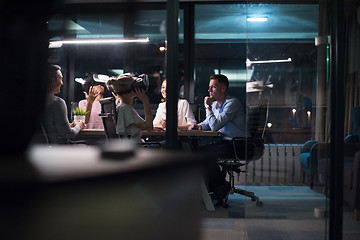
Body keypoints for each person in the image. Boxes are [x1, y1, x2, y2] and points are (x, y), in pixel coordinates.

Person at [188, 74, 248, 207]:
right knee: (198, 153)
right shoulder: (215, 105)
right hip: (225, 143)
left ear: (223, 89)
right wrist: (199, 126)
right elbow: (208, 123)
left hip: (238, 144)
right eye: (209, 88)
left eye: (213, 87)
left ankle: (220, 187)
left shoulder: (232, 104)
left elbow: (216, 125)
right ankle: (216, 188)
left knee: (202, 155)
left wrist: (207, 107)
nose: (209, 91)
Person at [42, 64, 86, 144]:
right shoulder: (57, 102)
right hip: (56, 151)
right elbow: (68, 134)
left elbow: (49, 127)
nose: (62, 83)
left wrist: (67, 125)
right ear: (53, 81)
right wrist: (79, 126)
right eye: (60, 79)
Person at [106, 73, 153, 141]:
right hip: (135, 148)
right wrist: (145, 101)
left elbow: (134, 127)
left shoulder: (120, 105)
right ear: (127, 93)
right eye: (134, 86)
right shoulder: (125, 108)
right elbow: (149, 127)